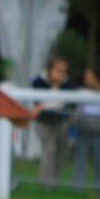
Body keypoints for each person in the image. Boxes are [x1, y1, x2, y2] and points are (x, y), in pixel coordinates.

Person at [31, 57, 75, 188]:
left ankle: (55, 180)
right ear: (50, 70)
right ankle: (47, 183)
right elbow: (38, 104)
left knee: (61, 152)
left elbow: (71, 104)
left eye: (64, 71)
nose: (61, 74)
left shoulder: (69, 84)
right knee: (49, 150)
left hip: (61, 122)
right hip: (44, 122)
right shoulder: (39, 82)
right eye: (58, 70)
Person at [73, 65, 100, 193]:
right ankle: (78, 190)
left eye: (89, 77)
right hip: (83, 132)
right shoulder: (81, 93)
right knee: (80, 162)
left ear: (97, 79)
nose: (86, 80)